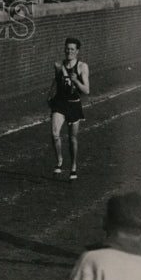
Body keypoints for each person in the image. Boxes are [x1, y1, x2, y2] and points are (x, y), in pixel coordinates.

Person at [47, 37, 90, 180]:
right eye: (67, 48)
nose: (69, 51)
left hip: (73, 104)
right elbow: (56, 81)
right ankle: (59, 162)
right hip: (60, 103)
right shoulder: (59, 65)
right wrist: (49, 94)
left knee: (72, 138)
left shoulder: (82, 66)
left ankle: (73, 167)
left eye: (72, 49)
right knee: (54, 133)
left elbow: (87, 90)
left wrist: (76, 80)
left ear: (77, 51)